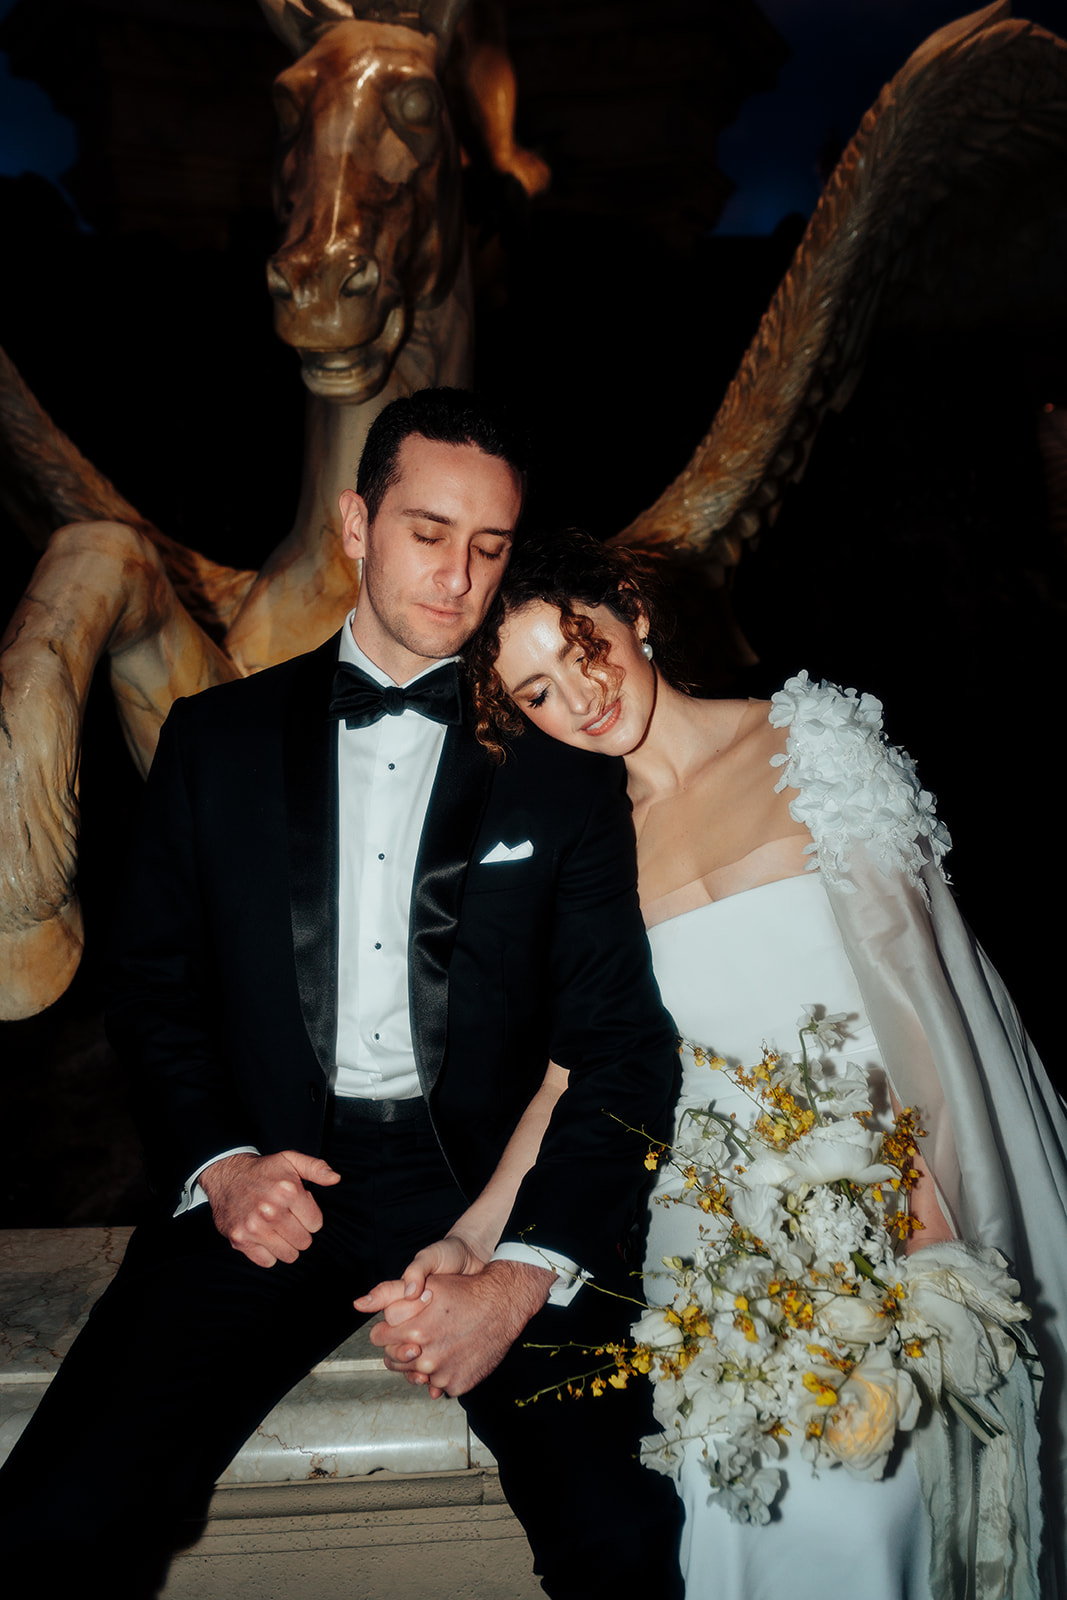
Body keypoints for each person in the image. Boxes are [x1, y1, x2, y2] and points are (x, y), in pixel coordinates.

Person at [0, 396, 684, 1598]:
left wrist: (517, 1270)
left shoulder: (564, 779)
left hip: (489, 1187)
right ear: (356, 521)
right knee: (53, 1517)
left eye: (488, 546)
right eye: (428, 530)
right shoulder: (211, 742)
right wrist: (220, 1163)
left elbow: (620, 1045)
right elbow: (152, 986)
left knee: (624, 1536)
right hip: (271, 1176)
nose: (457, 575)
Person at [443, 525, 1067, 1600]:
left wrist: (927, 1223)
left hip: (876, 1202)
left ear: (630, 610)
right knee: (746, 1527)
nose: (576, 699)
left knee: (881, 1524)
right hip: (709, 1238)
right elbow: (572, 1071)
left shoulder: (807, 740)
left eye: (578, 648)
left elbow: (921, 1001)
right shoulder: (588, 846)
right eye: (536, 693)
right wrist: (473, 1228)